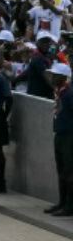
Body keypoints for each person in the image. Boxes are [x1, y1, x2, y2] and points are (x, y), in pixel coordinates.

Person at [48, 63, 73, 217]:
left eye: (55, 75)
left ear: (64, 77)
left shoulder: (70, 94)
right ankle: (62, 202)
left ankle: (70, 205)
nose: (52, 77)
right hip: (60, 134)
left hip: (69, 136)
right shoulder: (60, 92)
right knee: (61, 170)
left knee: (69, 171)